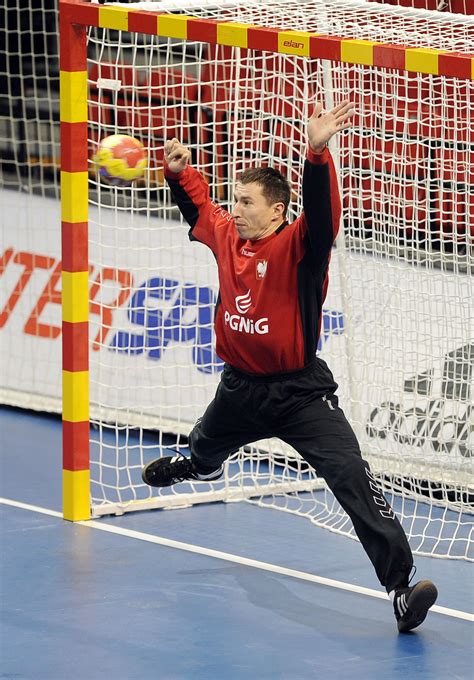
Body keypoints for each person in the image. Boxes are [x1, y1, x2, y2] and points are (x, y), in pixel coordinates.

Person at [142, 101, 438, 633]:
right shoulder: (229, 234)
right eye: (235, 199)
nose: (236, 209)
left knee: (351, 476)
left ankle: (401, 588)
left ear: (278, 211)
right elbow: (199, 210)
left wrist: (317, 154)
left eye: (247, 201)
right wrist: (179, 171)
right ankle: (199, 465)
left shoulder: (301, 247)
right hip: (239, 390)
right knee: (206, 449)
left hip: (301, 394)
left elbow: (324, 216)